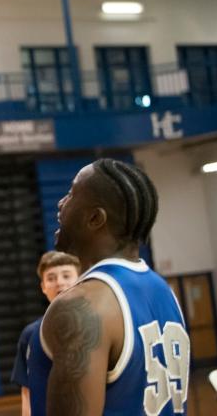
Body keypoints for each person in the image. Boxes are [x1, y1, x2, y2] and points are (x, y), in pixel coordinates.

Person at [39, 158, 190, 415]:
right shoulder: (164, 291)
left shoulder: (83, 306)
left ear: (95, 218)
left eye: (71, 194)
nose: (61, 203)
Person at [12, 251, 81, 416]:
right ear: (43, 286)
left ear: (80, 279)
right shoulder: (30, 335)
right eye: (51, 278)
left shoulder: (98, 327)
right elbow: (27, 392)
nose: (59, 283)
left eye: (66, 276)